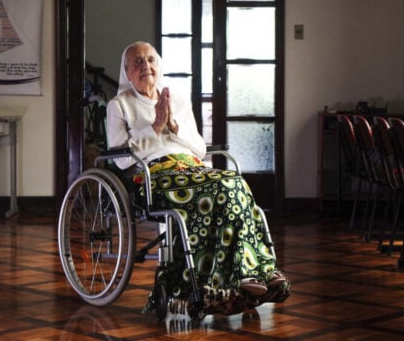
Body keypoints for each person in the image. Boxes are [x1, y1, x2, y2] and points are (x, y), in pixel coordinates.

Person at [106, 41, 290, 316]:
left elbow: (200, 148)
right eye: (138, 62)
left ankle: (258, 271)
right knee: (223, 185)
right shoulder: (119, 105)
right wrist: (155, 127)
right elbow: (120, 159)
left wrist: (174, 126)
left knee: (233, 181)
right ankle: (246, 272)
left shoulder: (176, 99)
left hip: (190, 168)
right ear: (127, 72)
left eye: (151, 60)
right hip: (154, 175)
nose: (146, 66)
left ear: (159, 65)